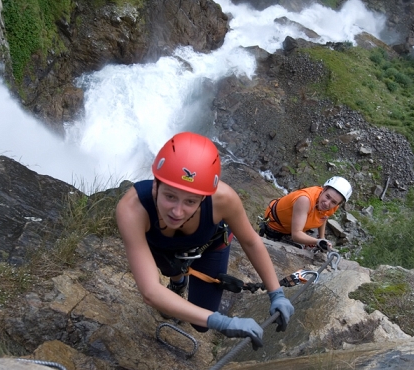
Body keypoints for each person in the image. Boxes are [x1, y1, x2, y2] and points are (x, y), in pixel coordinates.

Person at [116, 132, 294, 350]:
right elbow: (150, 291)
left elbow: (250, 242)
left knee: (200, 325)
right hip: (161, 249)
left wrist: (277, 293)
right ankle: (178, 281)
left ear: (204, 198)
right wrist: (222, 322)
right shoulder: (133, 209)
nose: (177, 211)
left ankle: (179, 280)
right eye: (170, 196)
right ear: (156, 186)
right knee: (172, 269)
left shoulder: (224, 200)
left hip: (208, 247)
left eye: (190, 201)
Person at [259, 177, 352, 250]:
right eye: (327, 197)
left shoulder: (333, 205)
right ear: (323, 189)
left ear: (338, 203)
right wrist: (317, 241)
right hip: (277, 227)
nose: (327, 203)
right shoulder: (305, 200)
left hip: (296, 226)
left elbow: (324, 217)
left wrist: (322, 237)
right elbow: (296, 235)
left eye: (333, 202)